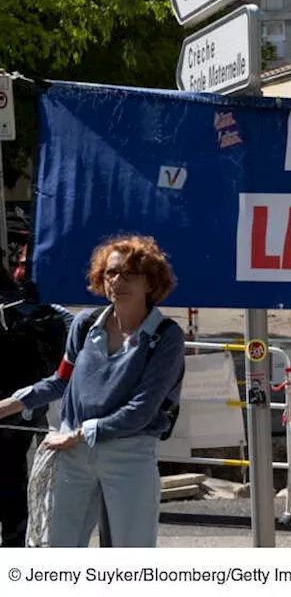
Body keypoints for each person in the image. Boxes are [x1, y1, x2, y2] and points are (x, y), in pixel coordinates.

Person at [0, 234, 185, 547]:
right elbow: (60, 381)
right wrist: (6, 406)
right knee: (60, 549)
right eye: (111, 273)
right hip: (73, 453)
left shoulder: (166, 336)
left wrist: (77, 433)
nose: (117, 281)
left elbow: (142, 409)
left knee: (131, 554)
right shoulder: (85, 324)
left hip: (128, 453)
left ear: (151, 282)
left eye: (129, 274)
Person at [0, 272, 74, 546]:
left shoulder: (27, 309)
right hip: (24, 410)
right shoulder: (36, 307)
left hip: (18, 408)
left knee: (11, 480)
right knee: (13, 479)